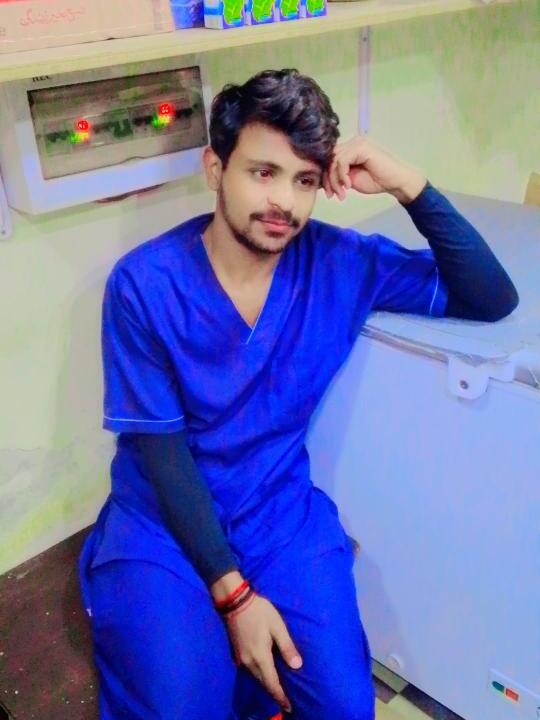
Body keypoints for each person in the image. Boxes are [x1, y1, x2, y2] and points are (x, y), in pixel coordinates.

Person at [78, 68, 518, 720]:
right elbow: (162, 454)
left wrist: (407, 183)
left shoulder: (339, 263)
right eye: (263, 172)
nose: (283, 201)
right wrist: (234, 597)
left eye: (305, 180)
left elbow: (491, 296)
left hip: (276, 515)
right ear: (215, 169)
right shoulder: (145, 284)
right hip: (163, 526)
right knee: (181, 707)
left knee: (345, 706)